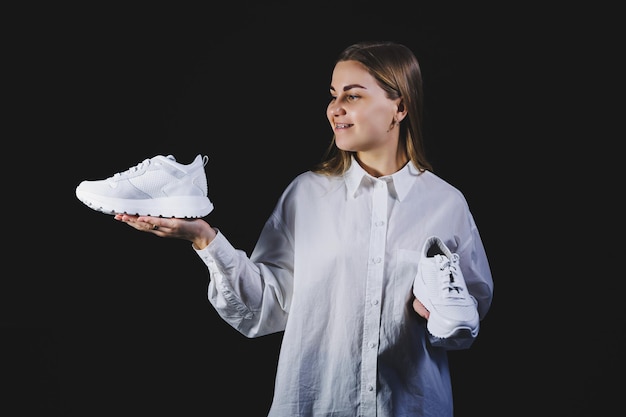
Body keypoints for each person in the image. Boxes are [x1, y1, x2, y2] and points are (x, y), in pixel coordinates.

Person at [114, 41, 494, 416]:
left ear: (400, 106)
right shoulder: (307, 194)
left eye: (354, 96)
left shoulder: (447, 204)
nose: (335, 109)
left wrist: (445, 316)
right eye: (333, 95)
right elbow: (264, 307)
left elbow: (467, 314)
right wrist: (204, 238)